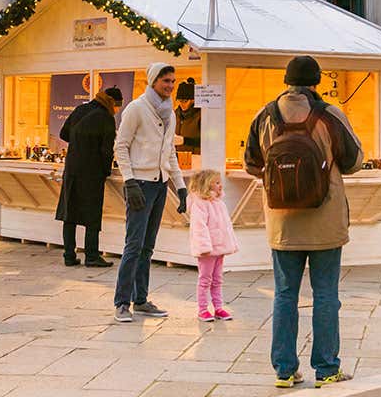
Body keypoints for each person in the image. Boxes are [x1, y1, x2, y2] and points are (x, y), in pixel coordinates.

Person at [244, 55, 363, 389]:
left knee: (284, 294)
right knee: (326, 295)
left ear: (286, 82)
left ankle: (284, 370)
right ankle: (327, 369)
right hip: (325, 222)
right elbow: (354, 161)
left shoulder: (264, 116)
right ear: (316, 83)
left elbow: (251, 164)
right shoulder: (329, 115)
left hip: (282, 223)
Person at [112, 63, 188, 323]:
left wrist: (180, 186)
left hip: (160, 183)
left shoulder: (170, 113)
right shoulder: (136, 108)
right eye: (165, 81)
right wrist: (129, 180)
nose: (169, 86)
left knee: (148, 246)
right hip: (140, 183)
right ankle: (122, 302)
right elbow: (120, 146)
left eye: (172, 82)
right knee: (133, 245)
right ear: (154, 81)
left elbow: (170, 153)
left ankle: (141, 299)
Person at [55, 87, 123, 267]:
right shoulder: (106, 118)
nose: (117, 110)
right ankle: (91, 256)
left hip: (72, 168)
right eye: (117, 106)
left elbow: (64, 133)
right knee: (92, 214)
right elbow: (106, 150)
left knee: (70, 212)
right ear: (112, 102)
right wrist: (106, 171)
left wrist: (80, 142)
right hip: (92, 172)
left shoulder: (80, 109)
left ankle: (69, 255)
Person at [187, 169, 238, 322]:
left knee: (217, 279)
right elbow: (199, 227)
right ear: (206, 185)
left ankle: (218, 307)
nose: (220, 185)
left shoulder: (219, 203)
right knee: (205, 279)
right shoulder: (200, 204)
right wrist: (204, 247)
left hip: (219, 248)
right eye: (216, 183)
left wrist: (228, 243)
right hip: (207, 250)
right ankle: (202, 309)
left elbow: (226, 226)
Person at [175, 77, 201, 154]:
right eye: (180, 101)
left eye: (185, 101)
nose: (182, 104)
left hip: (196, 159)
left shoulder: (201, 115)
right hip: (177, 159)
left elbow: (208, 142)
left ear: (193, 100)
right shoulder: (175, 115)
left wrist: (185, 140)